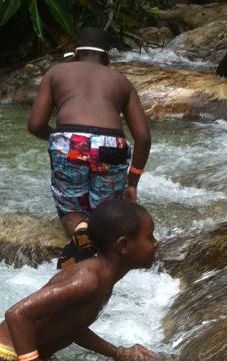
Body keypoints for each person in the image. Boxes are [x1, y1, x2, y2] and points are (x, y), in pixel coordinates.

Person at [0, 199, 158, 361]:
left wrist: (120, 354)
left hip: (25, 360)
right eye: (150, 237)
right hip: (2, 360)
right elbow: (17, 314)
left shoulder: (102, 278)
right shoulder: (88, 280)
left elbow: (71, 327)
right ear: (124, 245)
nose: (156, 243)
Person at [28, 27, 151, 269]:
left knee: (71, 208)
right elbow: (143, 137)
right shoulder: (121, 81)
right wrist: (132, 183)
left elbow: (35, 125)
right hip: (111, 144)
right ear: (107, 58)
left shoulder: (56, 73)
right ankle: (105, 252)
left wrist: (60, 140)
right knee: (106, 210)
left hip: (69, 140)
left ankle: (80, 229)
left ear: (75, 54)